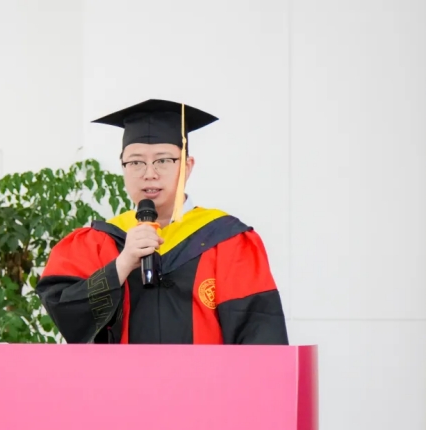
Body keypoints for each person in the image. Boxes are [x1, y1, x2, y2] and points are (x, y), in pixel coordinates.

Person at [35, 99, 289, 345]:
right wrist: (120, 266)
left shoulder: (227, 240)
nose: (149, 174)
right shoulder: (98, 242)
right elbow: (66, 314)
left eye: (163, 160)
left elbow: (259, 334)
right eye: (136, 162)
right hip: (122, 375)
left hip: (205, 376)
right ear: (123, 167)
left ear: (187, 166)